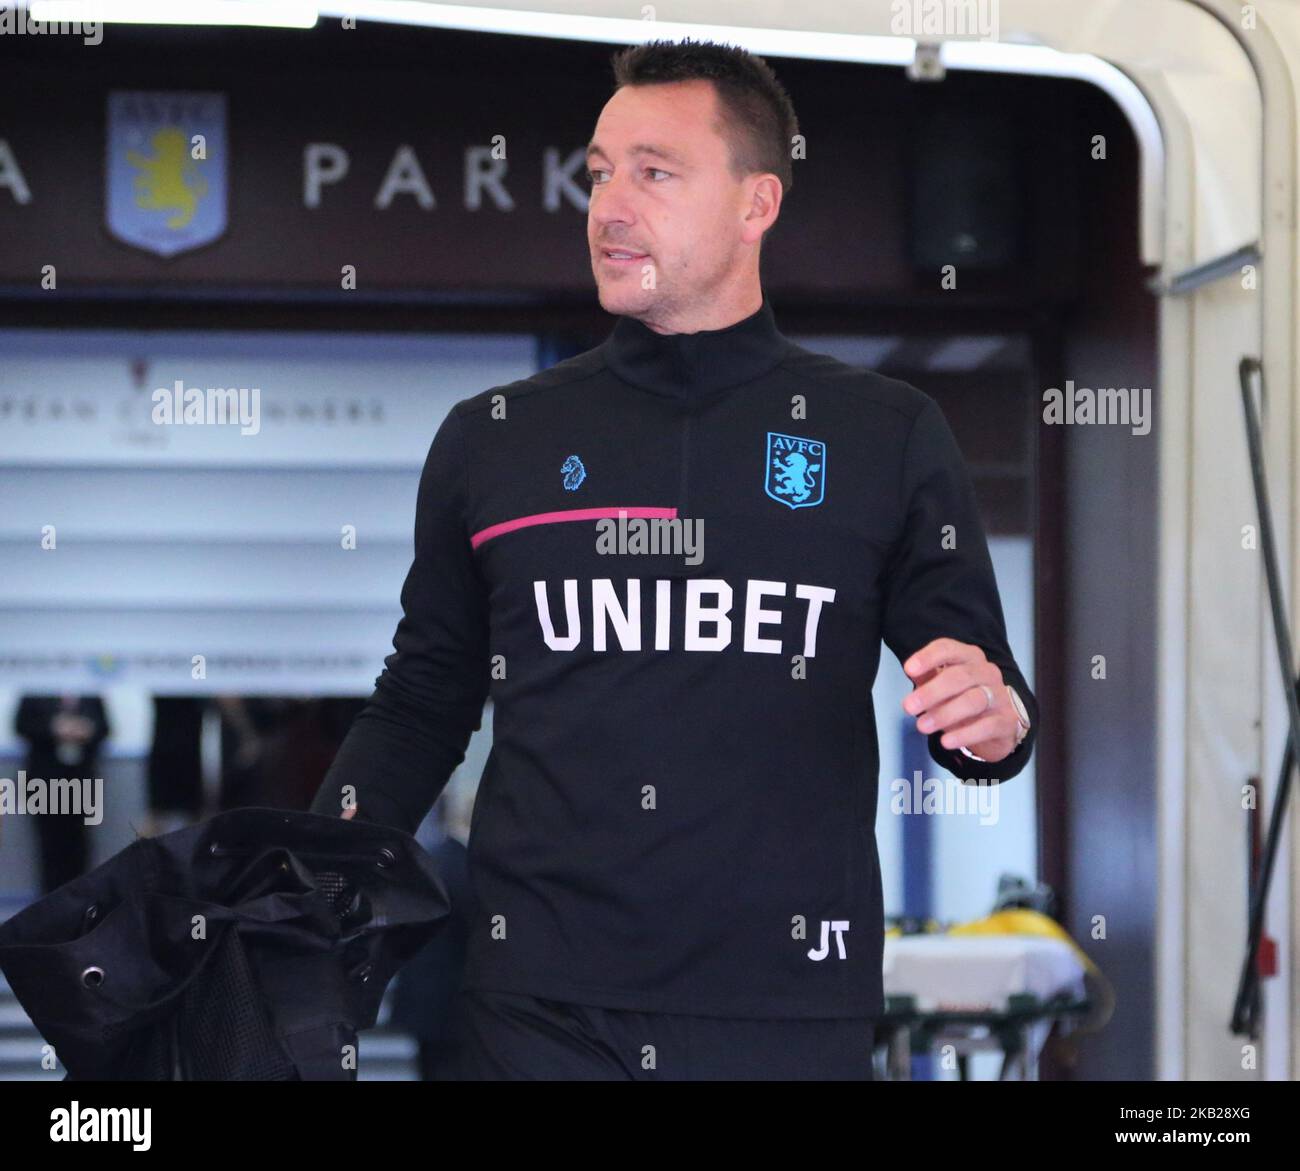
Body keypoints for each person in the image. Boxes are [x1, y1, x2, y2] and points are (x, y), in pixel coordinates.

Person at [313, 37, 1037, 1080]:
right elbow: (424, 695)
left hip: (787, 1005)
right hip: (539, 1005)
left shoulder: (884, 432)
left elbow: (979, 688)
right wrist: (302, 874)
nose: (609, 205)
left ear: (757, 204)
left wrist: (998, 719)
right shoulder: (495, 437)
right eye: (598, 173)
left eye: (654, 172)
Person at [14, 694, 111, 894]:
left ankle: (81, 905)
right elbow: (21, 724)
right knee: (48, 847)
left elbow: (105, 727)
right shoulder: (36, 690)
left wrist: (86, 729)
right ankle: (49, 905)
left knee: (79, 846)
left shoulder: (91, 692)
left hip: (81, 780)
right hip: (44, 782)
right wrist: (54, 727)